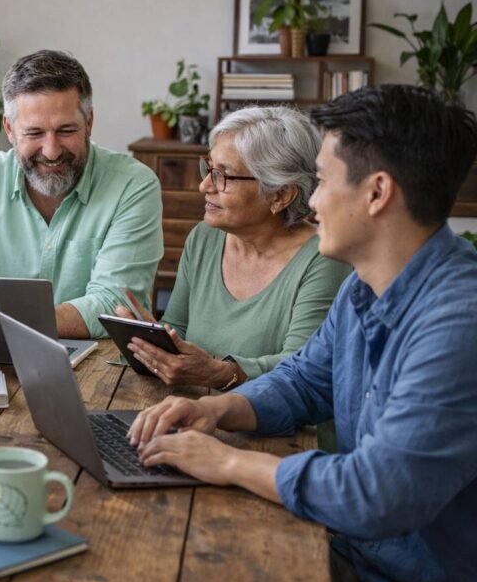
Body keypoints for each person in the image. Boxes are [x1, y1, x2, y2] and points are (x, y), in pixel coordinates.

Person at [129, 85, 477, 582]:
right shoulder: (364, 285)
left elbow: (377, 493)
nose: (310, 202)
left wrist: (229, 463)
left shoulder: (458, 324)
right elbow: (304, 381)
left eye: (322, 180)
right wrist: (217, 409)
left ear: (377, 193)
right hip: (351, 552)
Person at [116, 107, 351, 390]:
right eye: (209, 169)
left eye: (223, 175)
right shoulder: (204, 238)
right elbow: (178, 328)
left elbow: (302, 369)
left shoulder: (324, 259)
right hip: (190, 407)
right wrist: (150, 340)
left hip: (269, 417)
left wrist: (222, 373)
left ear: (280, 194)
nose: (204, 185)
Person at [0, 50, 163, 339]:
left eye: (66, 130)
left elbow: (114, 304)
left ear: (89, 122)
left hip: (99, 358)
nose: (51, 151)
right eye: (34, 133)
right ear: (9, 129)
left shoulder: (133, 185)